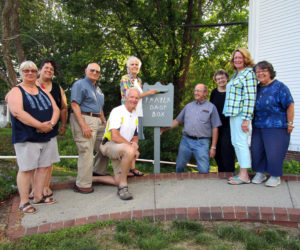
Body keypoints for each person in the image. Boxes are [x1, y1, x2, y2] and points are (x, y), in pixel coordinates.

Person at [7, 61, 60, 213]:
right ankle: (24, 202)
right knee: (26, 169)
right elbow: (17, 112)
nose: (30, 73)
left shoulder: (41, 89)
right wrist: (39, 125)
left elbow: (55, 108)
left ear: (37, 73)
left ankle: (38, 196)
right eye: (26, 71)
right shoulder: (16, 91)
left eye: (32, 70)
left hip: (47, 135)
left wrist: (51, 123)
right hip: (27, 136)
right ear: (21, 73)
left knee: (44, 167)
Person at [29, 59, 68, 199]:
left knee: (48, 160)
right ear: (40, 70)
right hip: (32, 129)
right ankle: (34, 189)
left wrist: (63, 125)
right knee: (34, 160)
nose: (49, 70)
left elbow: (63, 107)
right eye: (46, 68)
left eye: (51, 69)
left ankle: (45, 186)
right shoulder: (31, 84)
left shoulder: (57, 87)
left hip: (51, 129)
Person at [161, 84, 221, 173]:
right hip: (186, 141)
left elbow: (215, 128)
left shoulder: (211, 107)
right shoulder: (188, 106)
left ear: (205, 93)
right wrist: (163, 129)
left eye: (198, 91)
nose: (196, 93)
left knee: (204, 171)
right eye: (195, 90)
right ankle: (178, 185)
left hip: (202, 143)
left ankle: (202, 187)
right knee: (180, 166)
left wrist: (213, 147)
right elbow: (177, 121)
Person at [251, 61, 294, 187]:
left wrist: (290, 123)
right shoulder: (257, 88)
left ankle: (275, 176)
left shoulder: (279, 87)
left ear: (270, 71)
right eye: (258, 72)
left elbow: (290, 105)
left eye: (263, 71)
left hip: (276, 126)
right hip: (258, 125)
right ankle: (260, 173)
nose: (260, 74)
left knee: (274, 152)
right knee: (256, 151)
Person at [93, 87, 140, 200]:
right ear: (125, 98)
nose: (134, 100)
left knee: (117, 180)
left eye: (136, 98)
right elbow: (115, 136)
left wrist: (135, 144)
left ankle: (92, 179)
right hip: (108, 145)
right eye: (132, 97)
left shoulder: (135, 115)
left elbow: (135, 136)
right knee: (129, 150)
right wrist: (131, 147)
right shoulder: (117, 111)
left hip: (121, 147)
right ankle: (123, 187)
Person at [70, 63, 108, 194]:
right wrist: (83, 125)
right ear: (86, 70)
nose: (95, 73)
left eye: (97, 72)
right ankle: (83, 184)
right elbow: (74, 104)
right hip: (84, 118)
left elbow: (99, 108)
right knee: (86, 151)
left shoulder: (98, 89)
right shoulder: (79, 84)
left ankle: (98, 171)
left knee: (107, 144)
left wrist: (104, 122)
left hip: (98, 120)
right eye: (92, 70)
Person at [224, 48, 258, 185]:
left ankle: (245, 175)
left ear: (246, 59)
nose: (237, 60)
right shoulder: (236, 75)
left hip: (241, 115)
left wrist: (246, 119)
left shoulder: (249, 73)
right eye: (235, 58)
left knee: (241, 143)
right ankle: (242, 172)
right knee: (235, 143)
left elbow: (250, 98)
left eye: (240, 57)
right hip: (233, 114)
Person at [120, 56, 158, 177]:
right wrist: (148, 93)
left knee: (135, 141)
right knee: (126, 141)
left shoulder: (139, 80)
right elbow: (131, 95)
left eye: (137, 65)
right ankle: (123, 170)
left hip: (138, 114)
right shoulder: (125, 78)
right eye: (132, 64)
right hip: (128, 114)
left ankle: (132, 168)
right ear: (127, 67)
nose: (135, 66)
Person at [210, 70, 236, 172]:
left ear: (226, 78)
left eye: (222, 78)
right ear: (216, 81)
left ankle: (230, 172)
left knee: (227, 150)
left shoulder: (231, 91)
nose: (220, 80)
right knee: (218, 150)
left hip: (229, 125)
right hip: (216, 126)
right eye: (218, 79)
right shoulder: (214, 92)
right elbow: (210, 108)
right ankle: (221, 172)